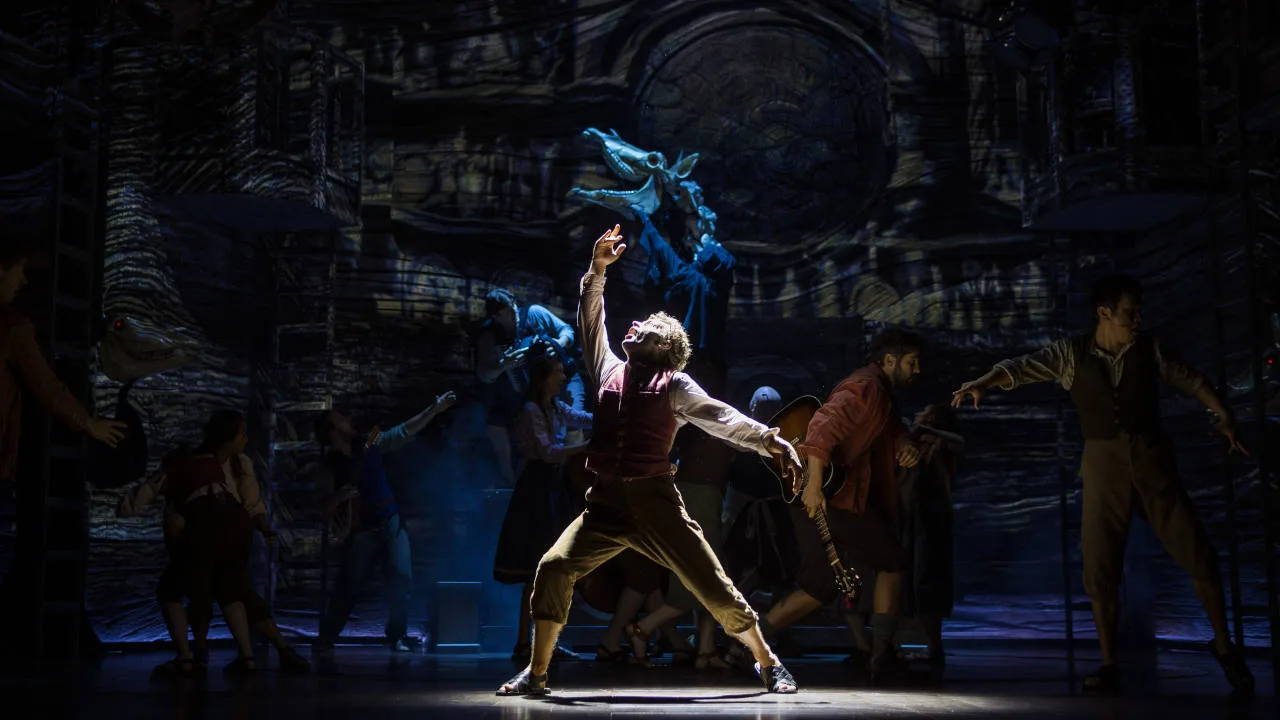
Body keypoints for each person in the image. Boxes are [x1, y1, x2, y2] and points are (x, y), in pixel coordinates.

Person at [496, 225, 803, 696]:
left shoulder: (674, 385)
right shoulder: (608, 370)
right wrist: (597, 270)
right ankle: (536, 674)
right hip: (606, 505)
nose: (634, 326)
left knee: (712, 586)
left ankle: (768, 662)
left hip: (657, 505)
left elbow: (723, 418)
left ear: (665, 348)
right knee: (554, 568)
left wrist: (771, 440)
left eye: (647, 328)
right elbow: (590, 320)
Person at [950, 274, 1254, 695]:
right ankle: (1109, 663)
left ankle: (1223, 645)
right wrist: (982, 383)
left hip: (1152, 462)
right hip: (1102, 467)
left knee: (1197, 552)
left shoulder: (1149, 350)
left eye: (1139, 311)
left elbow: (1192, 380)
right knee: (1100, 564)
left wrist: (1224, 414)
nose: (1137, 319)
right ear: (1104, 313)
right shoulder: (1071, 354)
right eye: (1130, 312)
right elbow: (1022, 367)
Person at [757, 329, 924, 684]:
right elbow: (821, 428)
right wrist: (814, 487)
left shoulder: (881, 393)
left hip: (838, 499)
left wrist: (905, 443)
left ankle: (743, 646)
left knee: (821, 586)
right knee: (893, 563)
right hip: (837, 499)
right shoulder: (865, 387)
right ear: (890, 360)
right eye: (912, 362)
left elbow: (890, 429)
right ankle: (881, 656)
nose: (917, 370)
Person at [118, 410, 310, 676]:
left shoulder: (212, 464)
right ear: (225, 439)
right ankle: (250, 655)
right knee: (231, 592)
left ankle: (191, 657)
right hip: (229, 535)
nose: (246, 439)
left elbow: (149, 492)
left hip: (209, 535)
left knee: (181, 591)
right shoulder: (204, 466)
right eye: (241, 435)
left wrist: (128, 506)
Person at [312, 392, 457, 655]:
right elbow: (323, 508)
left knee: (401, 583)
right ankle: (327, 636)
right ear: (332, 431)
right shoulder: (329, 467)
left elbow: (403, 432)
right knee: (349, 585)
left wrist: (433, 410)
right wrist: (340, 496)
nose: (348, 421)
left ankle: (397, 636)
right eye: (340, 419)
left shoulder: (368, 444)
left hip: (391, 523)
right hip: (362, 532)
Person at [493, 352, 592, 664]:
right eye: (558, 372)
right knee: (535, 570)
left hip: (553, 488)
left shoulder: (555, 407)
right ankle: (526, 642)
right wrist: (585, 447)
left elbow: (584, 419)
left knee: (551, 570)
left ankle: (543, 642)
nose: (563, 377)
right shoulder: (531, 410)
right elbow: (548, 452)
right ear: (543, 377)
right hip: (537, 490)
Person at [0, 238, 126, 479]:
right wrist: (87, 423)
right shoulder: (12, 328)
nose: (23, 280)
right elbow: (46, 386)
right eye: (20, 269)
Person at [475, 289, 585, 484]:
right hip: (530, 391)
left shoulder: (534, 313)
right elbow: (484, 375)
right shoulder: (490, 335)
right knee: (496, 419)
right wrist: (504, 365)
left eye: (513, 309)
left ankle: (577, 478)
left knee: (573, 422)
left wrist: (557, 344)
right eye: (507, 314)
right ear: (495, 316)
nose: (514, 316)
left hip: (564, 379)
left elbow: (567, 331)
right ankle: (511, 480)